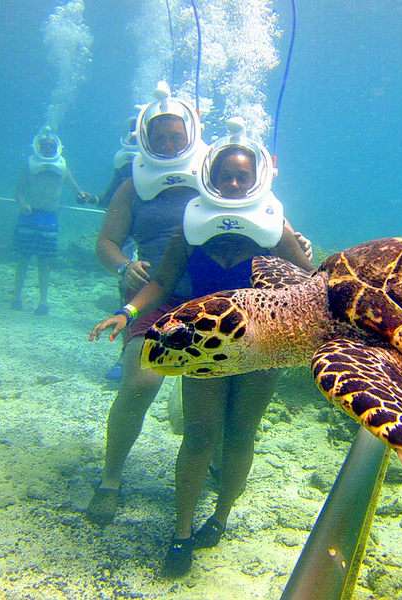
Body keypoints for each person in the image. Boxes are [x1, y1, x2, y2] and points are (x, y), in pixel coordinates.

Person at [89, 117, 313, 577]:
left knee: (239, 435)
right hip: (205, 347)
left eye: (242, 176)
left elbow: (310, 283)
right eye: (225, 174)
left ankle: (222, 516)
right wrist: (128, 313)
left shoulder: (275, 225)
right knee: (198, 436)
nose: (233, 182)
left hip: (263, 347)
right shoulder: (191, 227)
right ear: (209, 174)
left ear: (258, 178)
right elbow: (163, 282)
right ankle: (181, 532)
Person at [86, 82, 209, 524]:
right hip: (152, 296)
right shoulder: (132, 185)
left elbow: (259, 214)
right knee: (139, 385)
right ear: (144, 137)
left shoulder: (216, 170)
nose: (169, 143)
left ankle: (207, 468)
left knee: (205, 400)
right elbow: (106, 242)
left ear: (192, 133)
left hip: (214, 300)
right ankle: (111, 478)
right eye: (160, 136)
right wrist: (123, 267)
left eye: (177, 136)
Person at [12, 126, 93, 315]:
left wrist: (83, 196)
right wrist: (23, 204)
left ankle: (43, 302)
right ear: (38, 146)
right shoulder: (29, 165)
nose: (47, 148)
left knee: (44, 261)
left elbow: (75, 190)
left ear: (56, 146)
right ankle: (16, 297)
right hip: (28, 217)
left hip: (49, 218)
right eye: (44, 145)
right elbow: (18, 191)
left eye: (50, 145)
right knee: (23, 259)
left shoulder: (63, 166)